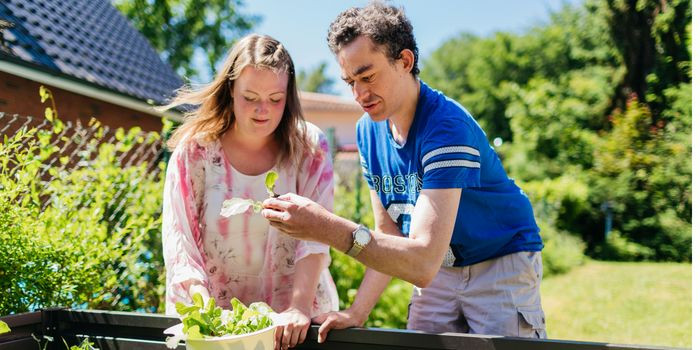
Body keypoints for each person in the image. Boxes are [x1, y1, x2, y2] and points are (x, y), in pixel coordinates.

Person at [262, 2, 545, 342]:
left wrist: (323, 226)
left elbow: (422, 262)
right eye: (350, 81)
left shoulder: (446, 127)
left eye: (367, 76)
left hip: (498, 261)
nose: (359, 94)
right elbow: (390, 232)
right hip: (439, 266)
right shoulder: (369, 130)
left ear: (405, 61)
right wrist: (356, 312)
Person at [160, 34, 339, 350]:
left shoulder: (311, 148)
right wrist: (209, 317)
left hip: (296, 326)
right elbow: (180, 243)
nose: (262, 111)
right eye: (250, 97)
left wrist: (298, 307)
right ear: (230, 89)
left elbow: (315, 238)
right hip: (217, 328)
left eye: (275, 99)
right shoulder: (195, 152)